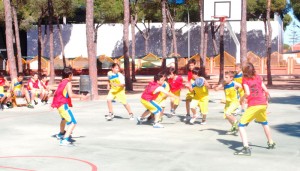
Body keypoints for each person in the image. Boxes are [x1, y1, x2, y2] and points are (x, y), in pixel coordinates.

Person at [234, 62, 275, 156]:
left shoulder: (244, 79)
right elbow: (266, 90)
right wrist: (266, 101)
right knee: (264, 123)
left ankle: (246, 148)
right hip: (262, 104)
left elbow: (247, 93)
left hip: (254, 105)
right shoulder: (257, 76)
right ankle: (271, 142)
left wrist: (241, 99)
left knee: (241, 125)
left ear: (244, 71)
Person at [51, 67, 89, 146]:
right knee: (73, 122)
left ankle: (61, 134)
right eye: (72, 75)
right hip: (63, 105)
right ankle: (65, 139)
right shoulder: (68, 83)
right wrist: (81, 96)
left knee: (63, 119)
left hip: (59, 106)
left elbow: (56, 94)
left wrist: (53, 104)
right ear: (70, 75)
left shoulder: (61, 82)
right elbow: (71, 95)